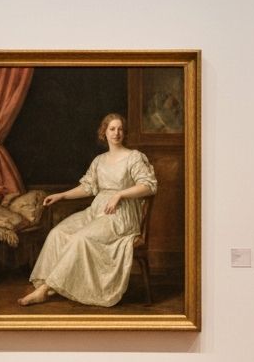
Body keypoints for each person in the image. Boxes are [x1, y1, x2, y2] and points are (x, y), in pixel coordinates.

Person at [18, 113, 157, 307]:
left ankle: (44, 290)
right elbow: (88, 187)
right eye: (112, 129)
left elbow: (149, 186)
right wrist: (62, 195)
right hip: (96, 211)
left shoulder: (133, 157)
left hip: (121, 215)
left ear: (124, 133)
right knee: (58, 233)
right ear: (104, 132)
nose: (116, 133)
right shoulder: (99, 160)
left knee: (81, 238)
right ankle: (51, 285)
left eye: (120, 129)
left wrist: (120, 194)